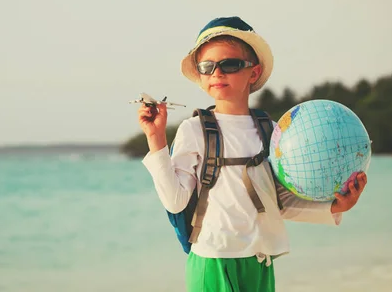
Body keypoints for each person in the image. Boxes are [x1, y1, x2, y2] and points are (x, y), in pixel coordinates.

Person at [136, 16, 367, 292]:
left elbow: (278, 201)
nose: (217, 73)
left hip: (259, 261)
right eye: (207, 67)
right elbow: (175, 201)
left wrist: (334, 207)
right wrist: (155, 138)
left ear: (253, 73)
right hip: (213, 261)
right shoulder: (194, 130)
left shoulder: (272, 130)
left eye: (230, 65)